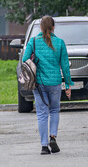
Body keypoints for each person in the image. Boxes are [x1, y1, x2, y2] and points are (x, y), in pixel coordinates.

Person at [22, 16, 74, 155]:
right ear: (53, 27)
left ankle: (44, 146)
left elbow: (24, 59)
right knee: (55, 110)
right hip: (55, 82)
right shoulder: (60, 42)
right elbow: (64, 66)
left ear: (40, 27)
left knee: (42, 113)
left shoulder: (33, 42)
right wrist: (68, 84)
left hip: (38, 83)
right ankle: (53, 137)